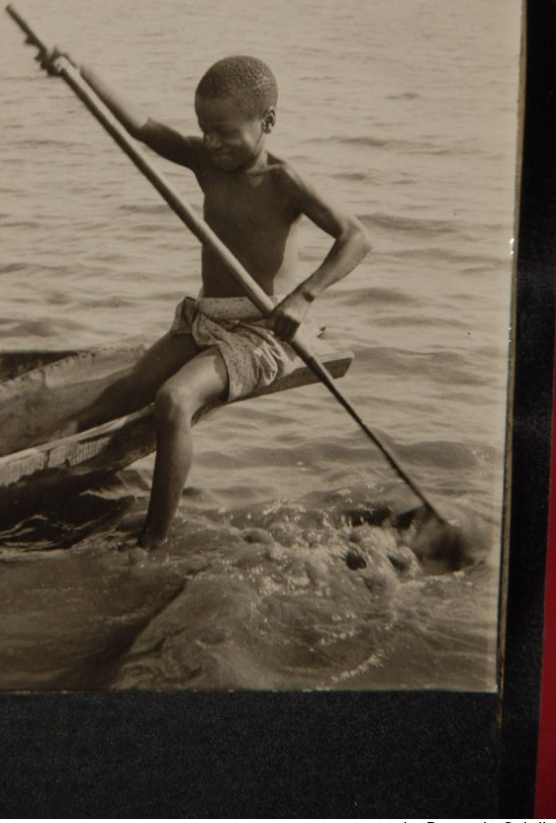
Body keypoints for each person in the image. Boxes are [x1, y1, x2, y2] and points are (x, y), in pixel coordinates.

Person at [57, 53, 372, 549]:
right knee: (122, 392)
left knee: (174, 400)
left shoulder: (283, 182)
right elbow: (143, 127)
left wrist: (303, 298)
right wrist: (82, 72)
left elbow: (356, 237)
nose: (212, 142)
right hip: (207, 318)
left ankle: (152, 542)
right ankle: (55, 476)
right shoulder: (206, 160)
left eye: (225, 132)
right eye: (205, 130)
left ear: (266, 122)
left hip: (263, 331)